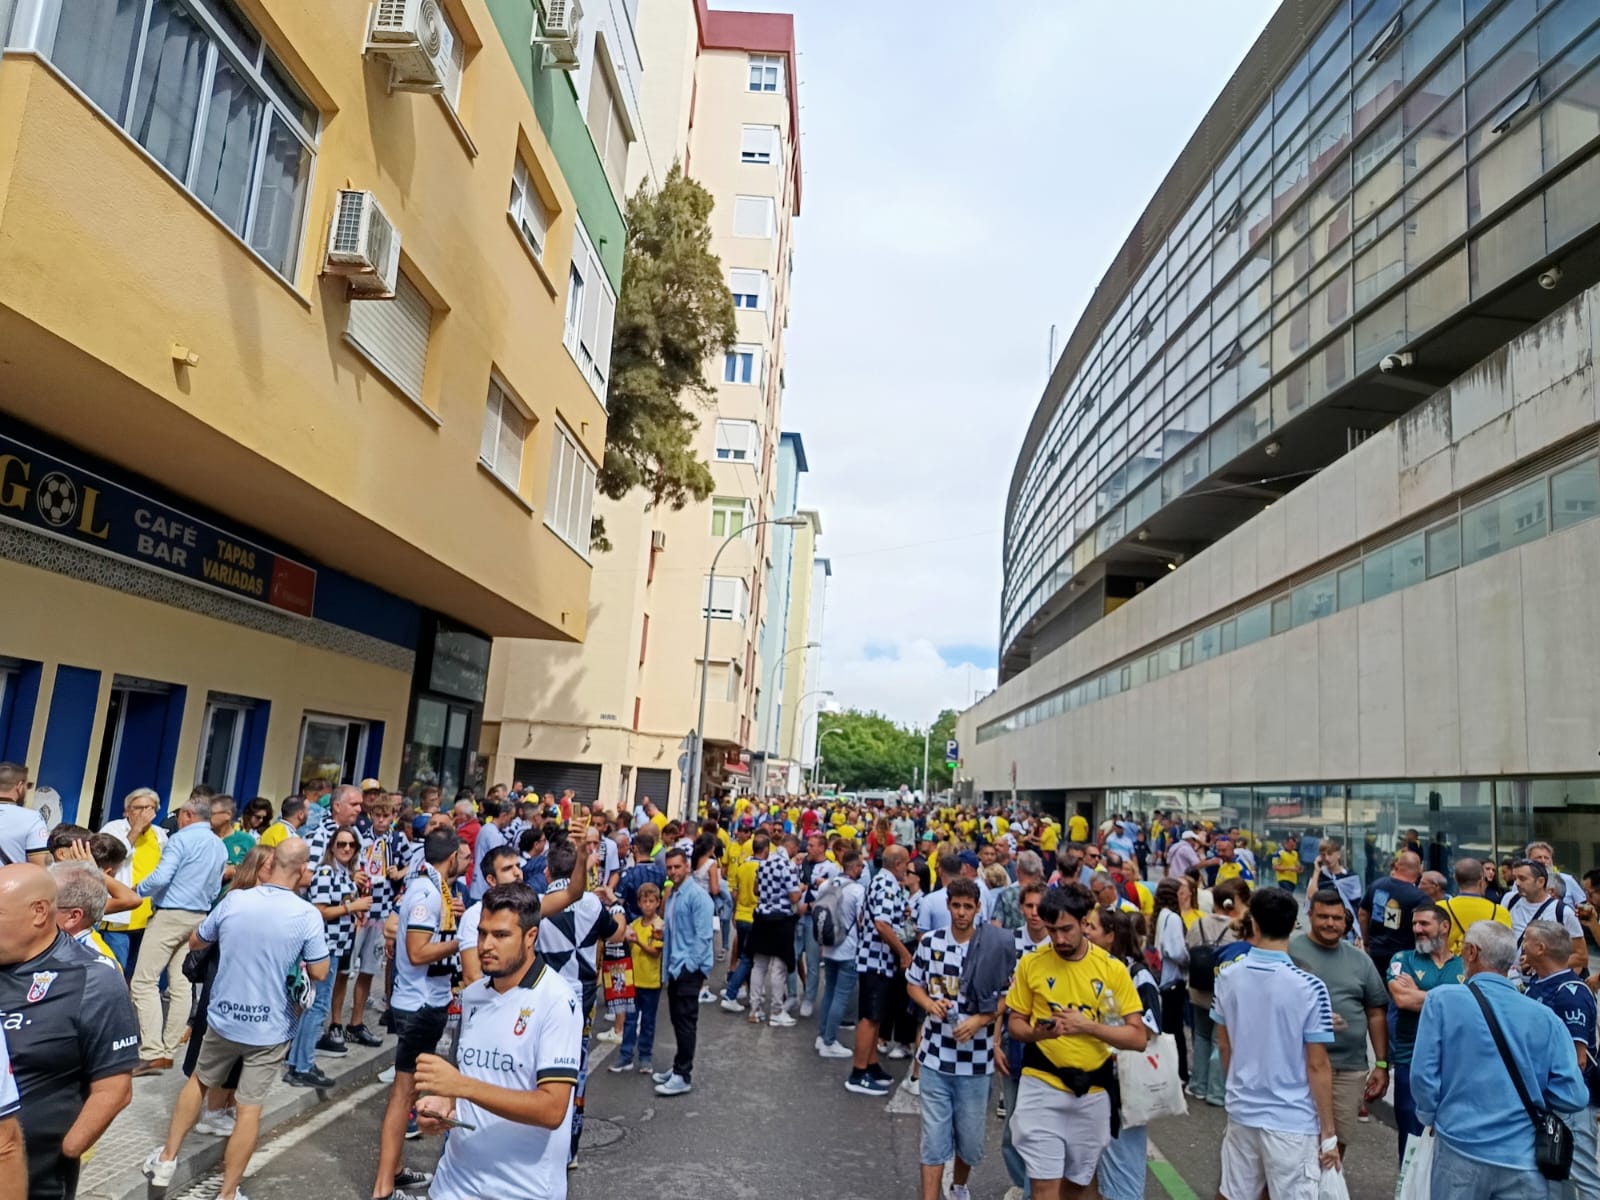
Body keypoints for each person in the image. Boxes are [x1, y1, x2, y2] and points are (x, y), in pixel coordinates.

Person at [142, 839, 328, 1200]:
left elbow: (197, 941)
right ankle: (227, 1194)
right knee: (248, 1110)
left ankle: (166, 1159)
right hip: (271, 1027)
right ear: (303, 869)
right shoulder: (307, 915)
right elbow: (320, 971)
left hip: (224, 1017)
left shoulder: (235, 900)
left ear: (271, 864)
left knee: (198, 1082)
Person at [411, 884, 582, 1200]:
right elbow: (469, 1078)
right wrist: (443, 1104)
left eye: (501, 935)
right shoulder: (473, 995)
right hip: (453, 1184)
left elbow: (552, 1109)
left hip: (523, 1190)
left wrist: (461, 1087)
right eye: (482, 933)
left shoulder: (557, 1001)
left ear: (530, 937)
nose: (486, 945)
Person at [1412, 920, 1588, 1196]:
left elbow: (1423, 1076)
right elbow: (1574, 1096)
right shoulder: (1546, 1018)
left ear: (1472, 952)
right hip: (1524, 1159)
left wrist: (1430, 1115)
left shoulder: (1441, 1001)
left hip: (1459, 1147)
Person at [0, 862, 137, 1199]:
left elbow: (114, 1088)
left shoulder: (92, 979)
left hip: (32, 1179)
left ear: (38, 912)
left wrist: (67, 1150)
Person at [1004, 883, 1148, 1200]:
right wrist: (1038, 1033)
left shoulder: (1111, 969)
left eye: (1066, 929)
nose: (1059, 939)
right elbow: (1015, 1023)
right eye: (1052, 930)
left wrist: (1089, 1026)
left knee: (1077, 1185)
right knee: (1044, 1186)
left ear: (1084, 923)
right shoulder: (1031, 963)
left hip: (1092, 1091)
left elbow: (1138, 1037)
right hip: (1041, 1083)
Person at [1213, 887, 1338, 1200]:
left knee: (1233, 1193)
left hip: (1242, 1110)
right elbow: (1318, 1064)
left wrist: (1236, 1089)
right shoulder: (1311, 987)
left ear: (1253, 923)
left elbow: (1225, 1046)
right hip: (1292, 1119)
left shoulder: (1227, 977)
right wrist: (1328, 1133)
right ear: (1295, 925)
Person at [370, 829, 464, 1200]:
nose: (466, 862)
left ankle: (394, 1173)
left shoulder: (432, 887)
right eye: (463, 856)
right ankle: (383, 1188)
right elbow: (418, 951)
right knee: (403, 1095)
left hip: (424, 1003)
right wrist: (461, 941)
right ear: (451, 857)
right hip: (419, 1006)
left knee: (406, 1094)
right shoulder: (427, 891)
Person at [906, 878, 1008, 1200]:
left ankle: (959, 1185)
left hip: (976, 1062)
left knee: (970, 1141)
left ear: (978, 908)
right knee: (933, 1139)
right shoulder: (931, 942)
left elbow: (1008, 997)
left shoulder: (992, 947)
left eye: (967, 906)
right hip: (935, 1056)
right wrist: (929, 1004)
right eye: (956, 906)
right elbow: (913, 983)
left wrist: (980, 1020)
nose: (961, 912)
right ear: (948, 906)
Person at [130, 793, 228, 1076]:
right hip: (199, 916)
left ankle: (151, 1052)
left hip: (171, 914)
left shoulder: (181, 839)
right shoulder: (218, 845)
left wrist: (137, 889)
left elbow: (161, 877)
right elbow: (215, 887)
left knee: (143, 982)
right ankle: (168, 1050)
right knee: (181, 984)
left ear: (187, 815)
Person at [1289, 889, 1390, 1159]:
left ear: (1345, 921)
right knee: (1298, 1138)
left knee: (1338, 1139)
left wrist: (1381, 1064)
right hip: (1299, 1065)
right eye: (1323, 917)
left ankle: (1328, 1180)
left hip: (1349, 1068)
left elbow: (1376, 1012)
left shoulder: (1360, 960)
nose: (1330, 923)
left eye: (1336, 918)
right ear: (1310, 915)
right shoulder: (1290, 951)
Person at [1521, 918, 1600, 1200]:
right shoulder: (1538, 984)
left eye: (1526, 940)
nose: (1522, 945)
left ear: (1540, 948)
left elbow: (1578, 1059)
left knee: (1583, 1176)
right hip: (1550, 1101)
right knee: (1556, 1175)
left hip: (1571, 1103)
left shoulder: (1570, 992)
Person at [1088, 908, 1163, 1200]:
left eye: (1092, 927)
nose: (1085, 932)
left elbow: (1152, 1025)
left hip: (1127, 1084)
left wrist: (1113, 1037)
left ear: (1111, 936)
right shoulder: (1093, 968)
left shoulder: (1137, 974)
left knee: (1125, 1164)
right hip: (1096, 1079)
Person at [289, 825, 372, 1077]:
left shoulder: (344, 872)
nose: (346, 848)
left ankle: (298, 1062)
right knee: (318, 1005)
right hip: (325, 947)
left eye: (351, 845)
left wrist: (352, 909)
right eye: (341, 844)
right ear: (332, 847)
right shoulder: (326, 871)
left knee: (315, 1004)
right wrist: (351, 907)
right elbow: (319, 910)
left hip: (337, 946)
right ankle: (303, 1065)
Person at [1385, 901, 1463, 1162]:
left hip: (1456, 1064)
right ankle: (1408, 1184)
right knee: (1412, 1140)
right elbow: (1403, 1000)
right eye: (1414, 924)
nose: (1417, 929)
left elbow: (1472, 1007)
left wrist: (1419, 994)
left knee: (1451, 1138)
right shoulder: (1402, 959)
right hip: (1411, 1061)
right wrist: (1454, 1000)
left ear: (1444, 926)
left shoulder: (1464, 965)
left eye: (1424, 924)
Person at [846, 845, 914, 1097]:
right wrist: (904, 953)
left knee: (877, 1016)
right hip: (875, 959)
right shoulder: (886, 884)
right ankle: (858, 1072)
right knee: (870, 1016)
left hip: (878, 959)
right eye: (906, 864)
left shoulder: (885, 883)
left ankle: (871, 1064)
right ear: (897, 864)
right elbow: (882, 924)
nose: (907, 868)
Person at [654, 846, 713, 1097]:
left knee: (686, 1022)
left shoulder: (697, 896)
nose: (673, 871)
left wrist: (689, 966)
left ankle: (683, 1074)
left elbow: (703, 936)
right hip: (675, 967)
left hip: (688, 969)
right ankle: (678, 1067)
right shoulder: (675, 894)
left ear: (687, 867)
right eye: (669, 867)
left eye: (677, 866)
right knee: (678, 1021)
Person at [99, 787, 167, 972]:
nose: (144, 813)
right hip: (119, 916)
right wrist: (136, 829)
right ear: (127, 811)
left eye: (149, 808)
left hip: (147, 915)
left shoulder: (159, 835)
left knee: (136, 972)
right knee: (116, 969)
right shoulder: (113, 828)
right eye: (138, 808)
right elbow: (111, 857)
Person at [747, 830, 803, 1027]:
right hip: (781, 920)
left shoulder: (764, 863)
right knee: (779, 967)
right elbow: (794, 897)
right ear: (793, 847)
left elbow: (756, 889)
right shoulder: (788, 866)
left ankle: (754, 1009)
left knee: (759, 965)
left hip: (761, 918)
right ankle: (777, 1011)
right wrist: (802, 888)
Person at [816, 848, 867, 1059]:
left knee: (829, 992)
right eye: (861, 865)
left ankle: (822, 1035)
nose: (863, 869)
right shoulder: (857, 890)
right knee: (841, 996)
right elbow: (862, 921)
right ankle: (829, 1041)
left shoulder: (826, 885)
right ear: (854, 867)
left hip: (829, 945)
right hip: (848, 947)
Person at [610, 881, 663, 1074]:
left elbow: (655, 952)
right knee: (630, 1020)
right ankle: (626, 1055)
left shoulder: (659, 926)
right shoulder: (634, 924)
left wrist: (638, 941)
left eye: (651, 901)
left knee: (648, 1021)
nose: (647, 905)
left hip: (651, 981)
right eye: (644, 901)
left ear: (657, 902)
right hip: (633, 980)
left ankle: (645, 1056)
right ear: (639, 903)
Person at [1507, 859, 1586, 976]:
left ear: (1540, 882)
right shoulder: (1509, 900)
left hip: (1545, 982)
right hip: (1511, 980)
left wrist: (1540, 962)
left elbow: (1581, 957)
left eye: (1522, 879)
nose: (1517, 883)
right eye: (1515, 878)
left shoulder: (1563, 912)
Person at [1357, 850, 1425, 976]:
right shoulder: (1419, 897)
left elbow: (1362, 913)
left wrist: (1366, 942)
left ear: (1397, 865)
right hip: (1405, 958)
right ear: (1420, 870)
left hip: (1376, 952)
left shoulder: (1377, 885)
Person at [1151, 877, 1190, 1083]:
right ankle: (1180, 1073)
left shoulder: (1161, 915)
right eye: (1182, 893)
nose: (1186, 896)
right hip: (1173, 980)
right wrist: (1189, 958)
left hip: (1162, 980)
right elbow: (1176, 951)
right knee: (1176, 1031)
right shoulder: (1173, 918)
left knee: (1168, 1028)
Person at [1438, 857, 1511, 955]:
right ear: (1481, 880)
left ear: (1455, 879)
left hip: (1448, 962)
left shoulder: (1439, 909)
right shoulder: (1500, 912)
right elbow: (1506, 949)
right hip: (1486, 962)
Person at [0, 763, 48, 866]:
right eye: (28, 785)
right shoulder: (32, 819)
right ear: (20, 786)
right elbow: (40, 866)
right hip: (10, 876)